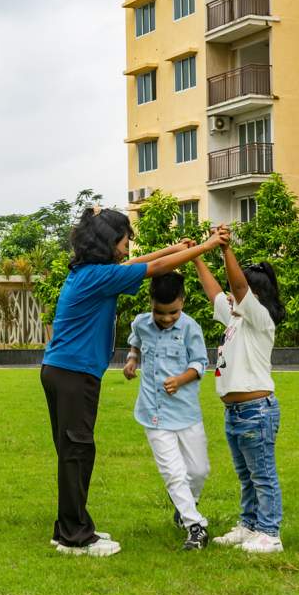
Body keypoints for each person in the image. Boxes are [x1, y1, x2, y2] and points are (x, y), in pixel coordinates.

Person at [41, 208, 228, 557]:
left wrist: (174, 249)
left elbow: (138, 264)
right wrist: (206, 246)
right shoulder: (97, 276)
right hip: (73, 374)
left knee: (74, 452)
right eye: (125, 242)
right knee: (77, 453)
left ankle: (68, 527)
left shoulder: (91, 272)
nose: (127, 249)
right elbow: (149, 270)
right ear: (110, 243)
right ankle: (74, 536)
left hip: (64, 371)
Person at [190, 226, 287, 554]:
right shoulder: (235, 321)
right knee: (246, 476)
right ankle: (249, 525)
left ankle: (270, 533)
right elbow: (215, 292)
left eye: (239, 294)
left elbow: (236, 287)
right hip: (236, 413)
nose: (231, 297)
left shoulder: (260, 319)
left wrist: (225, 249)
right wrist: (197, 257)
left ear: (254, 298)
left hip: (256, 410)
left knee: (263, 474)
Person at [122, 271, 211, 551]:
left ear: (182, 302)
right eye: (160, 313)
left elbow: (200, 363)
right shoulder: (141, 323)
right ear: (151, 303)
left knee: (198, 471)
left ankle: (184, 506)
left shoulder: (190, 328)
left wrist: (180, 379)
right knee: (173, 473)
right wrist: (131, 361)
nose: (167, 318)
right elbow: (135, 342)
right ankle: (195, 527)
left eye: (173, 312)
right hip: (153, 413)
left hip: (186, 412)